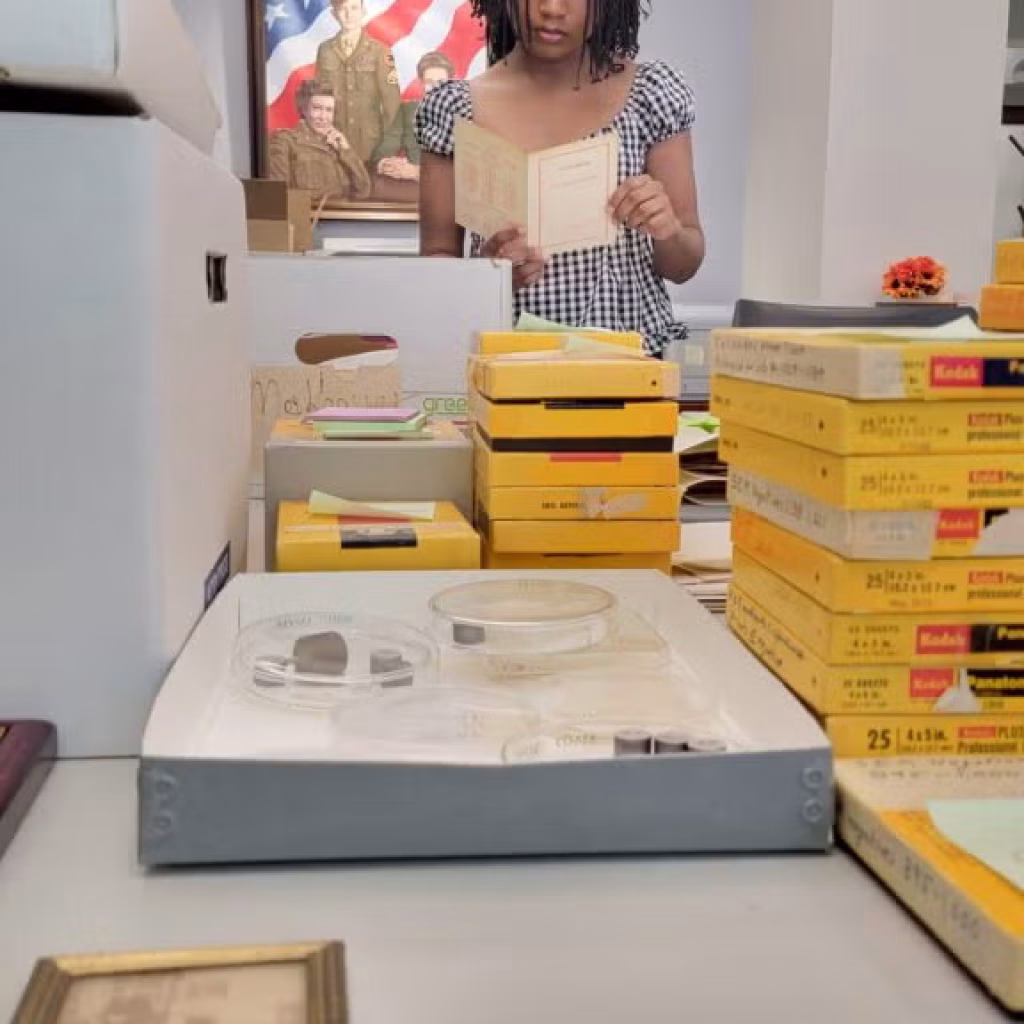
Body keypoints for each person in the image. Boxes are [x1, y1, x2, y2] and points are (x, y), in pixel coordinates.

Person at [415, 0, 704, 357]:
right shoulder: (454, 109)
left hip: (631, 373)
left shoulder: (650, 93)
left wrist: (669, 230)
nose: (551, 8)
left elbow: (684, 265)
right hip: (507, 372)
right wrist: (489, 277)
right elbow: (435, 270)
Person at [315, 0, 402, 165]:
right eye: (342, 9)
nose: (349, 14)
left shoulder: (381, 51)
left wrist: (387, 149)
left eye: (354, 8)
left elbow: (393, 105)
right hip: (333, 144)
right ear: (334, 14)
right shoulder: (324, 50)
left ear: (363, 11)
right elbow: (318, 98)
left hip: (370, 147)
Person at [268, 79, 372, 201]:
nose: (323, 117)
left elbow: (364, 191)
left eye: (329, 110)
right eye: (317, 108)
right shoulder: (284, 141)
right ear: (303, 110)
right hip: (308, 217)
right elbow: (277, 196)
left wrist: (346, 151)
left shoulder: (338, 145)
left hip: (343, 216)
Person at [374, 51, 456, 183]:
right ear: (421, 83)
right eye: (429, 82)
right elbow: (383, 150)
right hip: (412, 190)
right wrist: (386, 164)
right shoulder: (407, 111)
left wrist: (417, 172)